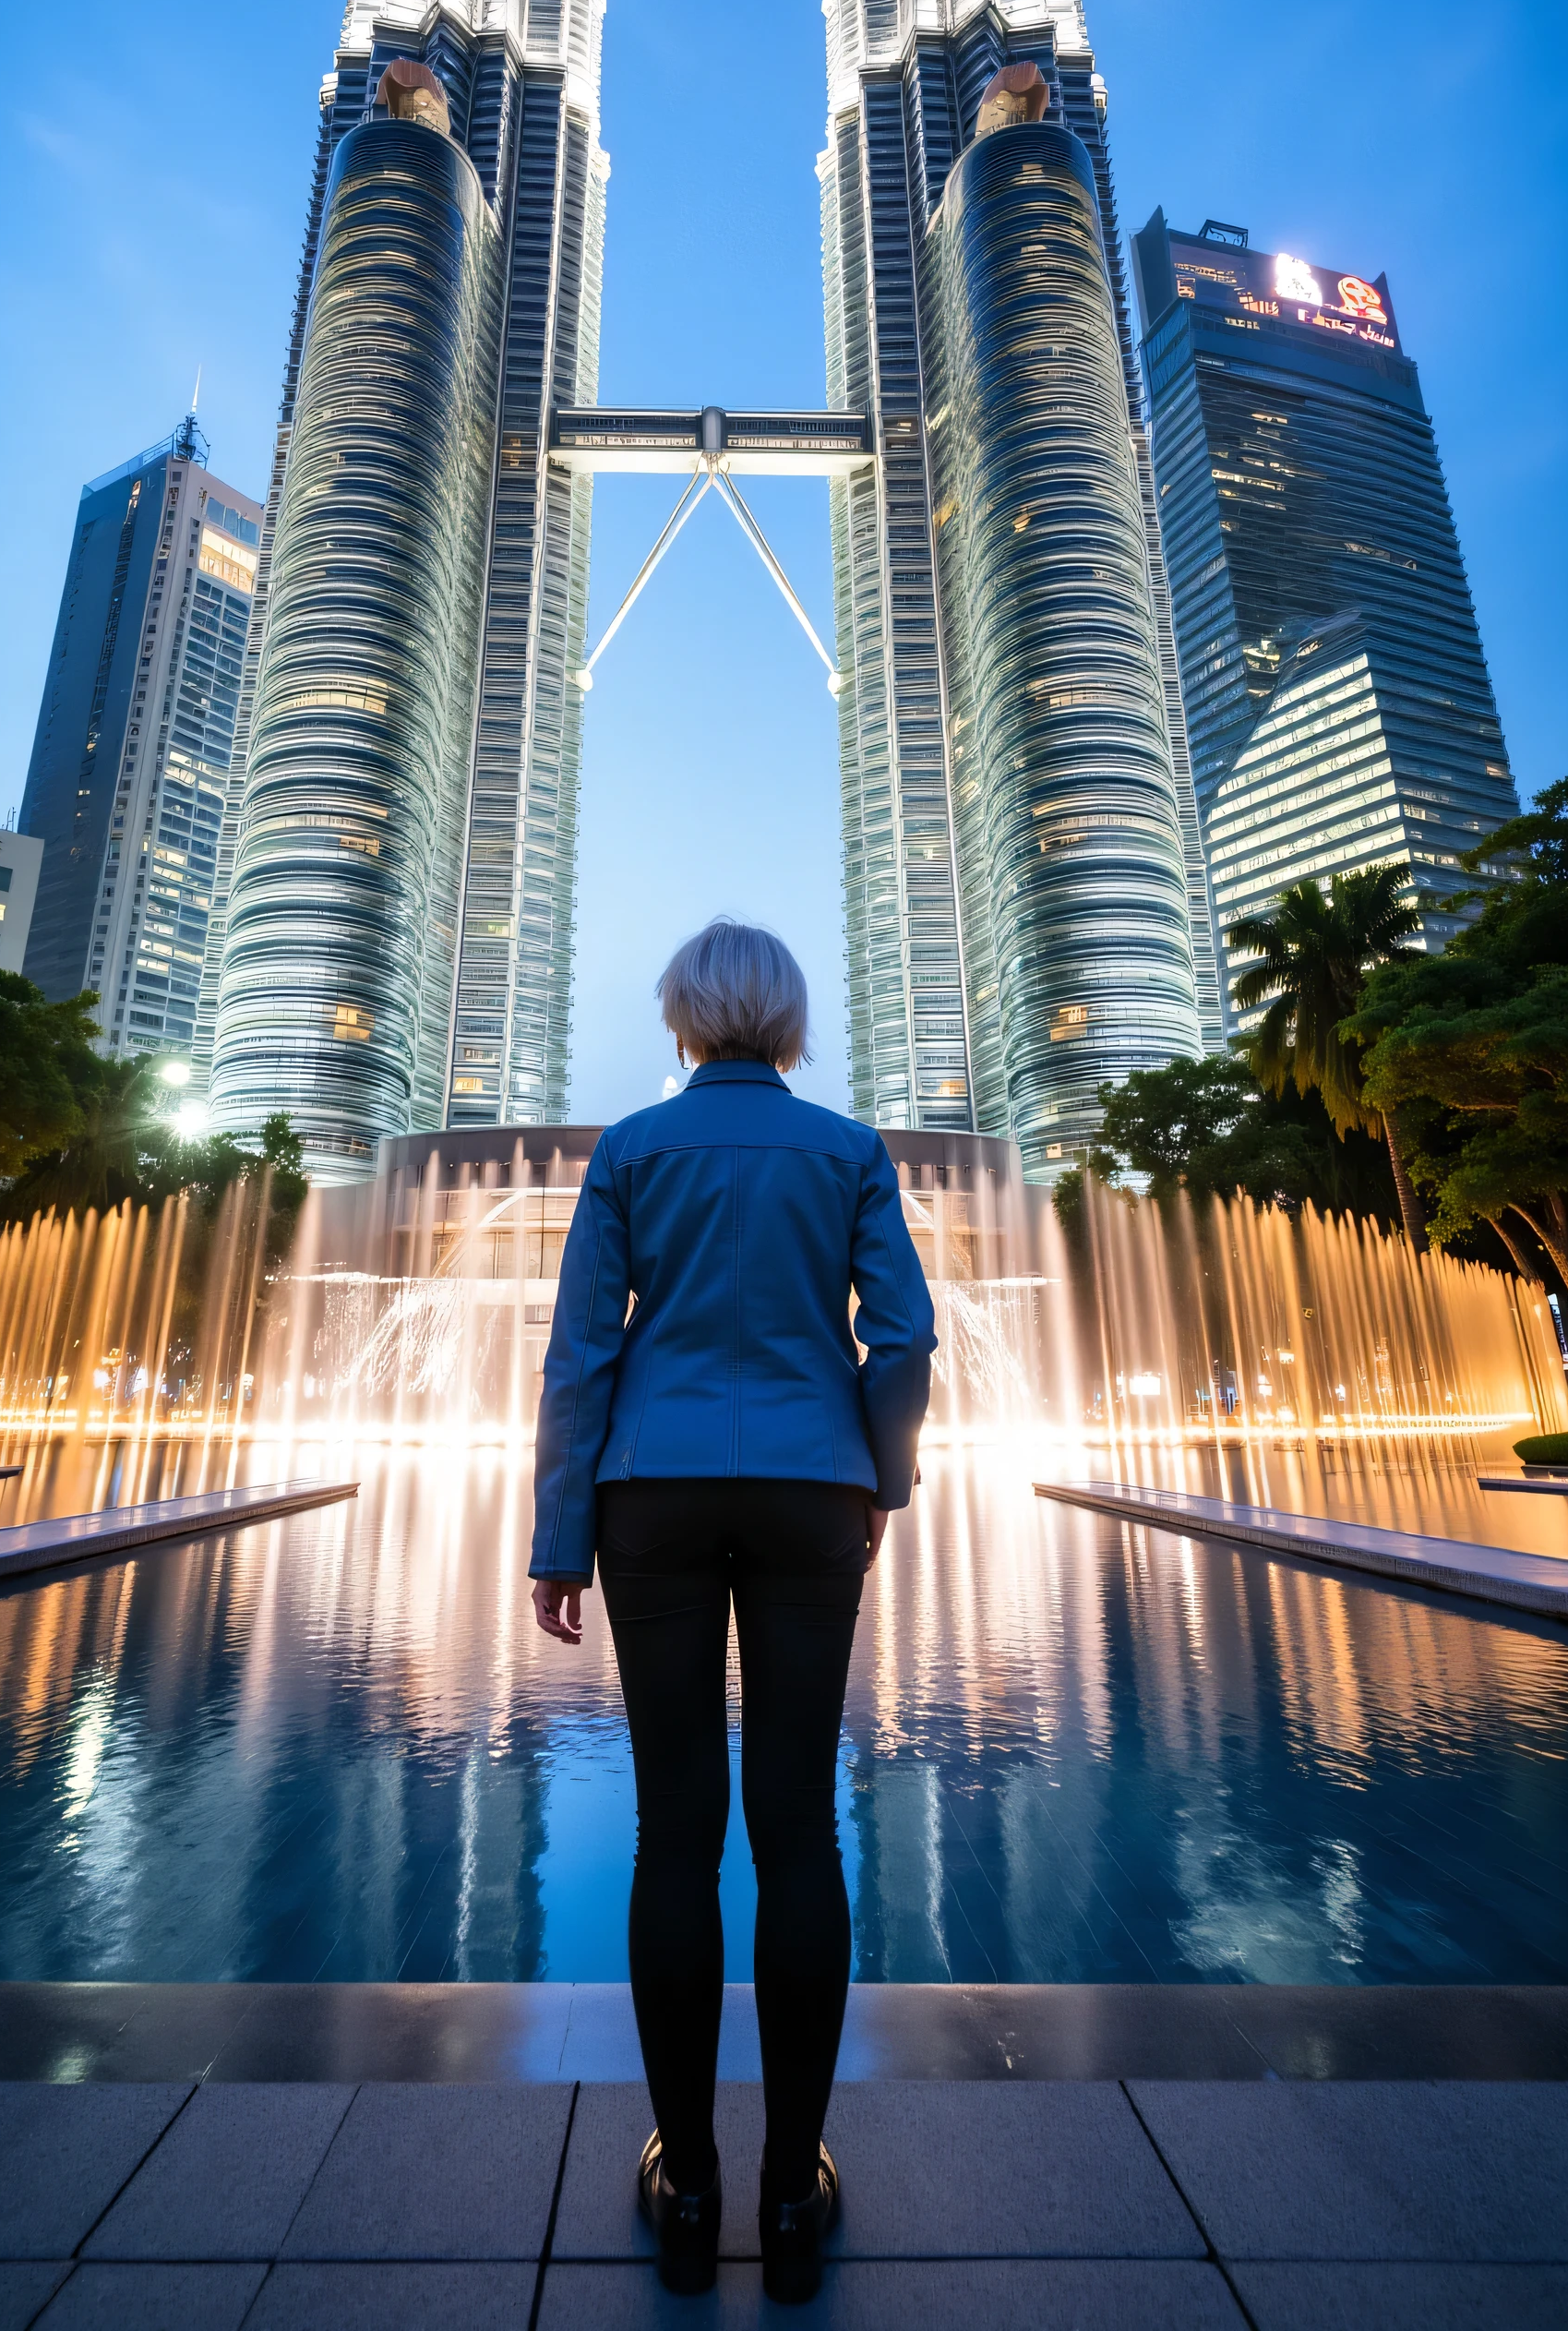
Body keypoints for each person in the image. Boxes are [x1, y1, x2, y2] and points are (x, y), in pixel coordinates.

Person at [529, 919, 936, 2304]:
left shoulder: (633, 1152)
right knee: (800, 1828)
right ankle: (795, 2187)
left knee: (676, 1833)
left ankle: (690, 2183)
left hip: (652, 1494)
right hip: (811, 1491)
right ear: (788, 1018)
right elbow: (906, 1336)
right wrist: (878, 1476)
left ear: (686, 1019)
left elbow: (582, 1351)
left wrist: (559, 1537)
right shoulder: (848, 1150)